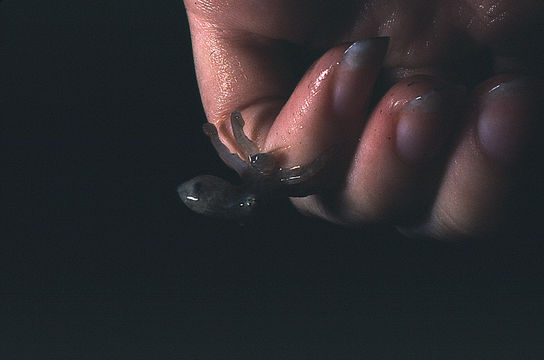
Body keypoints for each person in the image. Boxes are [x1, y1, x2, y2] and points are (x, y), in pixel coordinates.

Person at [182, 0, 542, 240]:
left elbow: (234, 142)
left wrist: (223, 133)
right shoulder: (265, 170)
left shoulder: (251, 161)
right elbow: (292, 167)